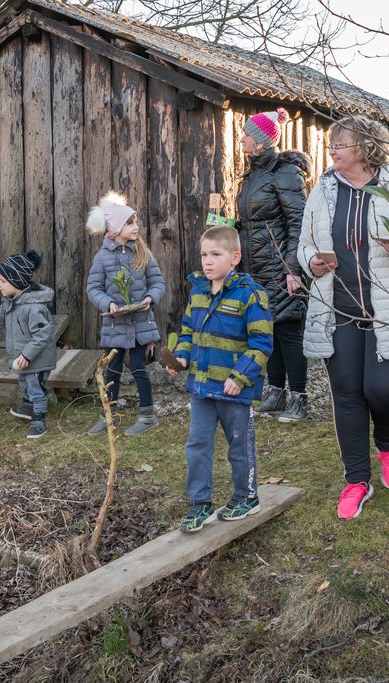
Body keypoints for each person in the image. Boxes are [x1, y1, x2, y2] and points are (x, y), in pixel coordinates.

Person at [298, 115, 389, 520]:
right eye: (331, 144)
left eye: (339, 144)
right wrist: (311, 262)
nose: (332, 150)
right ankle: (357, 480)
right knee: (347, 394)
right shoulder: (323, 190)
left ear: (364, 147)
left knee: (384, 390)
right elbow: (304, 244)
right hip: (338, 311)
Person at [168, 225, 273, 533]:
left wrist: (240, 377)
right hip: (202, 388)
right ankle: (200, 503)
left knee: (239, 445)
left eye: (216, 254)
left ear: (235, 257)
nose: (208, 261)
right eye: (204, 255)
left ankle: (246, 496)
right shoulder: (198, 292)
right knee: (197, 445)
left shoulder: (250, 295)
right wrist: (181, 357)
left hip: (234, 390)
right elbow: (188, 331)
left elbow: (262, 344)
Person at [236, 108, 311, 423]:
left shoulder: (284, 172)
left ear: (260, 141)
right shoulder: (252, 175)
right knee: (269, 328)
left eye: (246, 134)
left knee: (288, 330)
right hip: (256, 267)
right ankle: (276, 391)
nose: (241, 139)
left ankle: (299, 398)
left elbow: (298, 222)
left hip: (280, 265)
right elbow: (253, 223)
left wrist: (293, 268)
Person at [85, 192, 167, 436]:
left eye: (135, 222)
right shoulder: (102, 257)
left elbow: (157, 282)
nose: (135, 227)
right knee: (113, 370)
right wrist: (108, 303)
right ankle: (108, 416)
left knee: (139, 367)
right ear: (114, 228)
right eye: (129, 223)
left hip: (141, 323)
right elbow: (93, 288)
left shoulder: (142, 253)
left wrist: (150, 298)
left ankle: (147, 416)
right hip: (115, 325)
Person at [0, 250, 57, 439]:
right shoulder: (10, 303)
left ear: (16, 281)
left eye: (3, 281)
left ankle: (39, 421)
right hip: (21, 358)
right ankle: (29, 407)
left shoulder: (34, 307)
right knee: (25, 383)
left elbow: (42, 334)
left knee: (36, 388)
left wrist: (27, 355)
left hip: (36, 359)